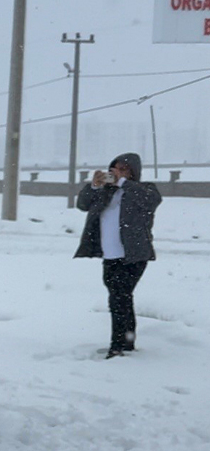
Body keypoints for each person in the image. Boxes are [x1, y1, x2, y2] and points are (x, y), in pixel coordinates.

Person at [73, 153, 161, 359]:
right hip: (110, 256)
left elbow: (152, 200)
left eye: (123, 169)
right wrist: (94, 186)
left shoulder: (144, 189)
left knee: (119, 299)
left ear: (133, 172)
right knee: (121, 299)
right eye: (115, 169)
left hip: (133, 256)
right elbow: (83, 204)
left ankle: (118, 347)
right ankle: (126, 343)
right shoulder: (106, 191)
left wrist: (122, 182)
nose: (117, 173)